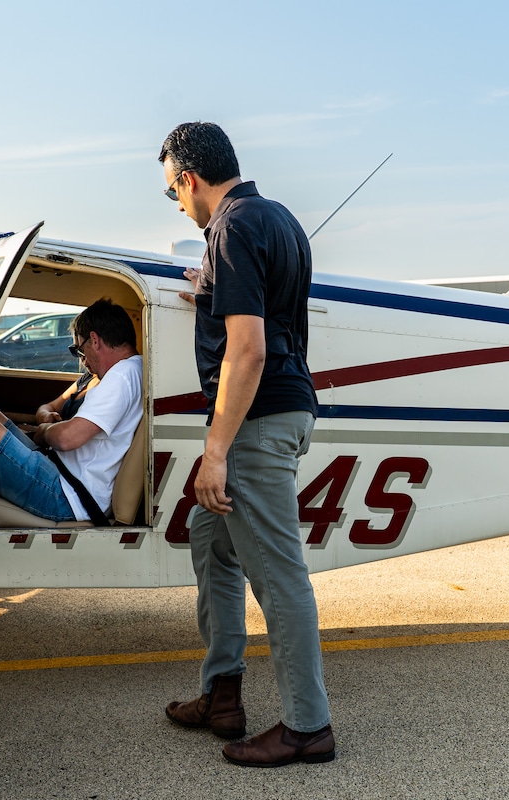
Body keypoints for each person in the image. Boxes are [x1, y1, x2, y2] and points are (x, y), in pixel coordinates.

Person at [158, 122, 334, 767]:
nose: (177, 203)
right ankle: (221, 694)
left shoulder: (230, 228)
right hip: (283, 408)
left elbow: (250, 346)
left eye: (172, 192)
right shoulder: (276, 218)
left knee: (280, 577)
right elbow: (263, 312)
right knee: (212, 543)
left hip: (257, 421)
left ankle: (308, 728)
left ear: (189, 179)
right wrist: (205, 292)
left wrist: (215, 450)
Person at [0, 299, 141, 523]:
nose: (83, 360)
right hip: (60, 472)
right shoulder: (130, 370)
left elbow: (68, 438)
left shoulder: (121, 376)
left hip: (66, 493)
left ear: (94, 340)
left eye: (80, 349)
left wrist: (43, 432)